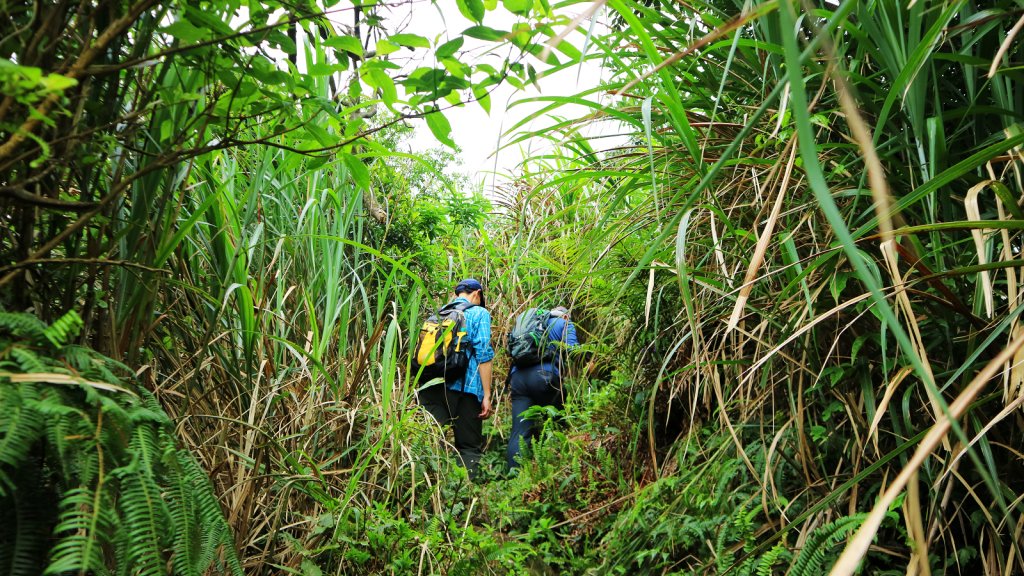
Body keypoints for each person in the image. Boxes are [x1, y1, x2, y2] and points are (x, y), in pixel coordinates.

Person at [417, 278, 494, 479]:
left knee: (430, 441)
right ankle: (465, 498)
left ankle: (429, 490)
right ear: (477, 293)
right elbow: (484, 354)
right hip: (464, 390)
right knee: (468, 446)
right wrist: (486, 394)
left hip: (430, 386)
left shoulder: (437, 313)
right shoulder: (479, 313)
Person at [507, 306, 578, 470]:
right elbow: (574, 350)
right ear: (566, 316)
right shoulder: (564, 323)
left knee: (519, 431)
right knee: (557, 420)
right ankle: (561, 464)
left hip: (518, 378)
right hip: (544, 375)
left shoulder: (532, 324)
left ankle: (515, 475)